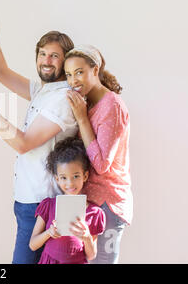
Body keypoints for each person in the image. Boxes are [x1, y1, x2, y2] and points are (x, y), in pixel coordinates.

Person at [0, 0, 78, 264]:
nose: (47, 61)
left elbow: (23, 144)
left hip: (42, 205)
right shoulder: (44, 90)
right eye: (42, 54)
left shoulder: (63, 99)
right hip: (28, 201)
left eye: (55, 56)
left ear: (65, 62)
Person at [64, 45, 133, 264]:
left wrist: (82, 119)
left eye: (79, 72)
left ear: (95, 70)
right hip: (89, 201)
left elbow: (102, 165)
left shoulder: (112, 106)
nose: (73, 80)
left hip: (108, 204)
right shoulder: (88, 102)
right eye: (68, 75)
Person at [29, 137, 106, 264]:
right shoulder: (48, 206)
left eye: (76, 176)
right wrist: (49, 233)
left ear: (85, 176)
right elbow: (33, 245)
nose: (70, 183)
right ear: (57, 179)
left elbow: (91, 255)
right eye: (63, 178)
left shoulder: (94, 213)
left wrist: (86, 238)